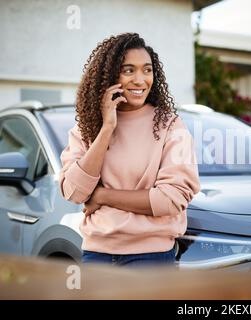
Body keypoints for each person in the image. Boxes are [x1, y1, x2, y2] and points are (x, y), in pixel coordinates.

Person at [59, 33, 200, 267]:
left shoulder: (169, 126)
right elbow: (74, 192)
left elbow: (170, 200)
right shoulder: (86, 129)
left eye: (147, 70)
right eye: (128, 70)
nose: (140, 80)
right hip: (96, 256)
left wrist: (102, 195)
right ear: (109, 76)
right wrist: (106, 129)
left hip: (151, 258)